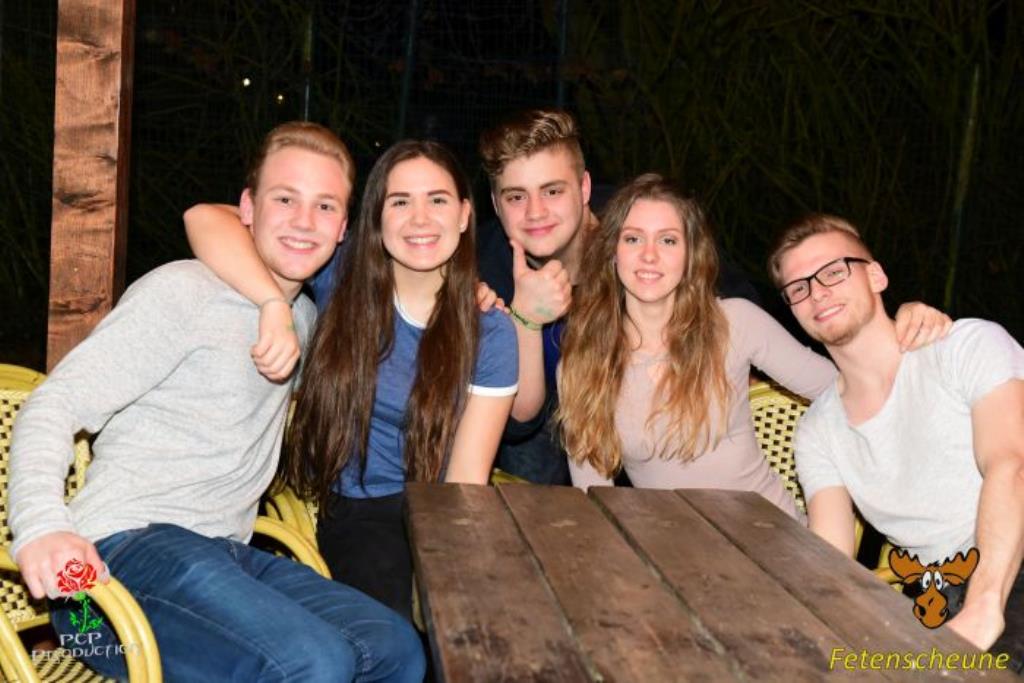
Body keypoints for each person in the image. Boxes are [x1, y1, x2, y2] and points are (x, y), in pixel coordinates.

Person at [9, 122, 426, 681]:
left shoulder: (304, 319)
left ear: (344, 227)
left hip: (227, 556)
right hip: (104, 583)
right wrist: (41, 527)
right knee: (312, 661)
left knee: (395, 649)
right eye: (285, 199)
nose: (305, 221)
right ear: (247, 208)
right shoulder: (184, 291)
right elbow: (53, 403)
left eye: (325, 206)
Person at [185, 140, 518, 621]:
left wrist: (454, 569)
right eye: (400, 202)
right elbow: (204, 217)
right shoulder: (342, 276)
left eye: (437, 200)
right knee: (396, 625)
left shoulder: (489, 328)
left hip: (440, 508)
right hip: (358, 509)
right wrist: (272, 304)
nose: (420, 219)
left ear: (465, 215)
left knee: (495, 616)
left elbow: (465, 481)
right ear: (377, 217)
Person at [771, 214, 1024, 666]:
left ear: (876, 276)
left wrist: (984, 606)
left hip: (1007, 563)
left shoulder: (965, 345)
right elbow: (829, 555)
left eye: (833, 272)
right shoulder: (818, 430)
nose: (817, 292)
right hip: (940, 592)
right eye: (799, 288)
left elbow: (1011, 464)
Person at [475, 109, 763, 485]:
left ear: (583, 189)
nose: (535, 212)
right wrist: (523, 317)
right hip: (546, 421)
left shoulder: (638, 223)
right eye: (516, 197)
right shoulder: (485, 269)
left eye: (552, 191)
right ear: (496, 205)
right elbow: (513, 425)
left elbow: (734, 297)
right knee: (531, 464)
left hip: (652, 390)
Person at [556, 174, 837, 516]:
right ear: (612, 252)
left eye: (668, 240)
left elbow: (841, 390)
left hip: (772, 535)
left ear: (691, 254)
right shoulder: (584, 361)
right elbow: (593, 500)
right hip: (672, 544)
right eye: (633, 239)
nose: (649, 255)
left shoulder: (734, 323)